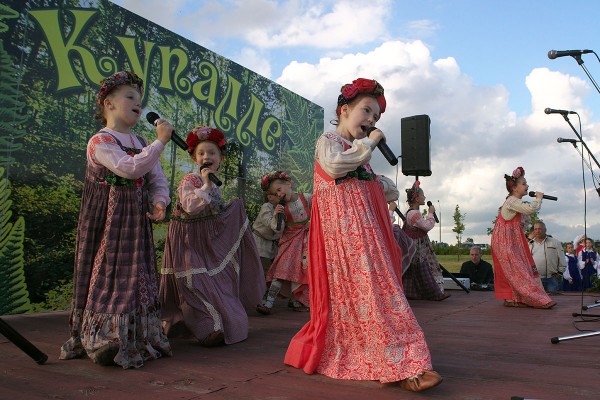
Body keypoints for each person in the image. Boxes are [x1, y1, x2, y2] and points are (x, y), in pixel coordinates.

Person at [284, 78, 442, 392]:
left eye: (376, 117)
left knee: (379, 292)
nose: (371, 120)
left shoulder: (359, 153)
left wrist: (380, 182)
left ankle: (402, 360)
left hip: (364, 236)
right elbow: (333, 166)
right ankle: (401, 363)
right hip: (344, 239)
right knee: (371, 295)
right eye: (366, 111)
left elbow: (386, 189)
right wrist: (369, 144)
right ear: (344, 110)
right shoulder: (329, 140)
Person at [60, 70, 172, 368]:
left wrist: (160, 201)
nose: (138, 102)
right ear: (108, 103)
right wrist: (160, 143)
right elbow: (129, 168)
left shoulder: (141, 140)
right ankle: (101, 339)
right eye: (130, 96)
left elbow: (155, 178)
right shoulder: (100, 141)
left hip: (135, 222)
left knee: (137, 276)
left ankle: (134, 337)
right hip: (107, 223)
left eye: (140, 97)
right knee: (107, 274)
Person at [159, 125, 266, 346]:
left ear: (220, 159)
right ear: (194, 158)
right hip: (186, 240)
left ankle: (215, 326)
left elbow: (214, 213)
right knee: (192, 281)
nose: (206, 157)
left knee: (211, 281)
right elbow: (190, 207)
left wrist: (231, 208)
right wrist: (206, 185)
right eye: (201, 153)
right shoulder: (190, 180)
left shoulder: (214, 186)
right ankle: (205, 326)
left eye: (211, 153)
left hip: (204, 241)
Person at [490, 166, 556, 309]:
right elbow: (531, 209)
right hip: (505, 242)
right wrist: (538, 199)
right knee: (516, 269)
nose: (527, 186)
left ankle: (517, 298)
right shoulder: (512, 202)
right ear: (514, 188)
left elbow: (523, 220)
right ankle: (532, 298)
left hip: (512, 240)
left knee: (519, 268)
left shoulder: (515, 203)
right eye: (524, 183)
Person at [256, 171, 311, 315]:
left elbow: (319, 211)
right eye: (275, 193)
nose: (279, 194)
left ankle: (302, 300)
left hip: (307, 241)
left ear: (288, 183)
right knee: (281, 270)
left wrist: (312, 223)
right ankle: (268, 303)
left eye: (279, 190)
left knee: (306, 271)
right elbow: (277, 228)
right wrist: (276, 215)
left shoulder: (306, 198)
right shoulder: (280, 208)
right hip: (290, 242)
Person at [402, 181, 450, 301]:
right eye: (423, 195)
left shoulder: (414, 212)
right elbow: (427, 226)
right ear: (417, 198)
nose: (425, 197)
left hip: (419, 244)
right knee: (423, 268)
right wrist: (431, 214)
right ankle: (434, 293)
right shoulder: (413, 213)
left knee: (417, 269)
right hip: (417, 247)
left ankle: (416, 293)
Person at [528, 221, 566, 294]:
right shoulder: (530, 244)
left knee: (554, 300)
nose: (537, 231)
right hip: (536, 279)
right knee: (539, 300)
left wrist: (560, 273)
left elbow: (562, 259)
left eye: (540, 229)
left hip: (552, 279)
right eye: (535, 229)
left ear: (545, 230)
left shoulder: (555, 242)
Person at [252, 192, 282, 277]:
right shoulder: (266, 206)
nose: (280, 195)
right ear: (270, 197)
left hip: (272, 246)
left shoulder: (280, 207)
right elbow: (270, 224)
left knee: (268, 273)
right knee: (260, 272)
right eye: (277, 194)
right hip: (260, 245)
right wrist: (276, 214)